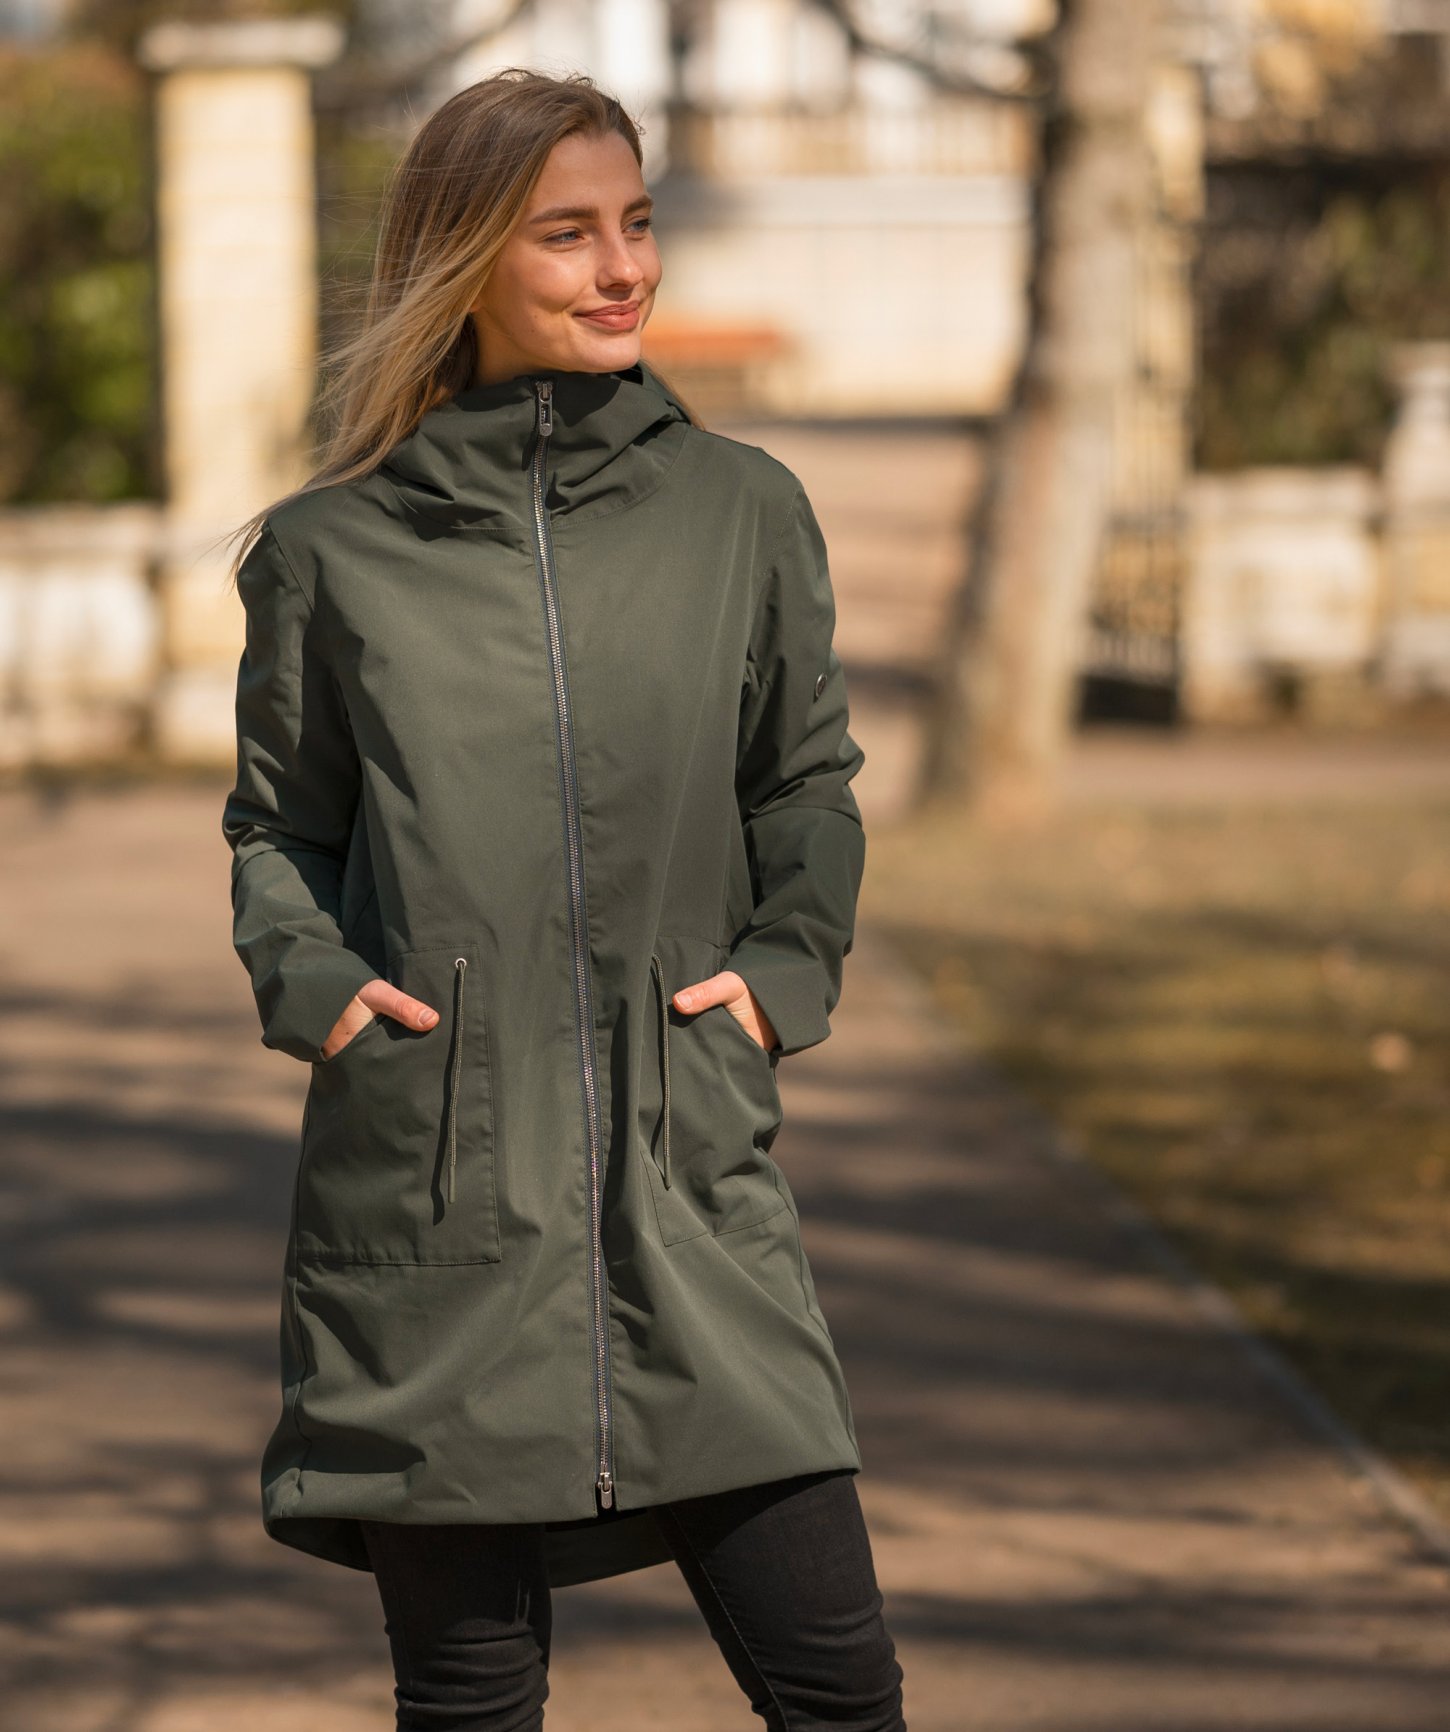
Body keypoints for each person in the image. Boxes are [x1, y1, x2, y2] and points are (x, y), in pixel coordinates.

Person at [221, 66, 905, 1732]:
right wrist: (322, 993)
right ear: (464, 263)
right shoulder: (329, 553)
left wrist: (777, 978)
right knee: (469, 1704)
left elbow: (804, 785)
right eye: (568, 234)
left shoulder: (742, 512)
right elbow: (278, 830)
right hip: (433, 1200)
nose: (624, 269)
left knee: (838, 1695)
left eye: (637, 223)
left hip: (693, 1177)